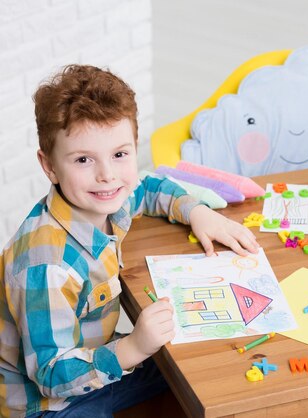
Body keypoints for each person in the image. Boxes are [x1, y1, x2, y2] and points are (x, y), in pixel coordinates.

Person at [0, 64, 260, 418]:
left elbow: (150, 187)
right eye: (83, 159)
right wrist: (133, 347)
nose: (107, 175)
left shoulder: (110, 200)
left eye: (120, 154)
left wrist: (199, 213)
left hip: (98, 368)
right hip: (48, 405)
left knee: (195, 370)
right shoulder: (46, 266)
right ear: (49, 167)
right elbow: (51, 375)